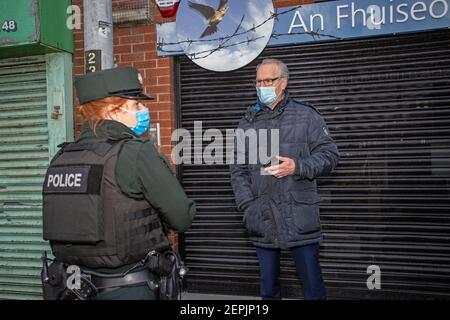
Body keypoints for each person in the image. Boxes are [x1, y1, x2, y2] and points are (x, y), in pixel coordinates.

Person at [41, 67, 196, 300]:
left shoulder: (61, 157)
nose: (144, 110)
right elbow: (182, 218)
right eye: (136, 105)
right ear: (113, 111)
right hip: (128, 288)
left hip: (69, 288)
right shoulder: (136, 153)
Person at [229, 59, 339, 300]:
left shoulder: (306, 115)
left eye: (268, 80)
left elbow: (330, 156)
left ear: (283, 82)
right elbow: (237, 169)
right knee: (268, 290)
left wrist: (297, 166)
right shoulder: (247, 121)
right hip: (262, 215)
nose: (262, 86)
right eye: (258, 81)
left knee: (313, 287)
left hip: (299, 215)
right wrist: (247, 206)